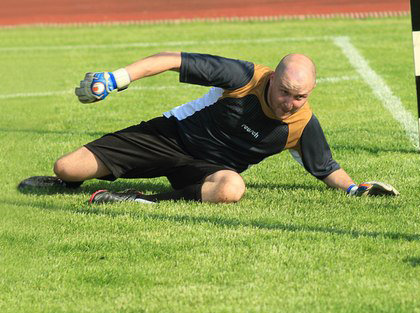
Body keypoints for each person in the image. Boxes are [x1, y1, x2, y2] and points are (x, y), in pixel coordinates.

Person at [19, 52, 399, 204]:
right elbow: (171, 59)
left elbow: (325, 167)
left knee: (232, 188)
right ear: (274, 81)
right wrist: (117, 78)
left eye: (299, 97)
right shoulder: (243, 77)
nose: (290, 103)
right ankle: (67, 185)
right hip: (169, 136)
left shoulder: (301, 124)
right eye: (285, 92)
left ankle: (138, 200)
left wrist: (355, 189)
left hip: (206, 170)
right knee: (66, 167)